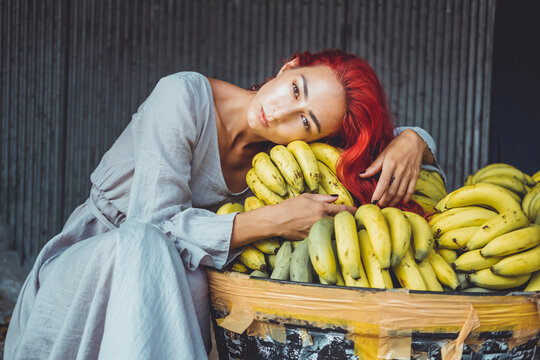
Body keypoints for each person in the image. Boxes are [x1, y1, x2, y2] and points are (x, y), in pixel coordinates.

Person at [5, 49, 444, 359]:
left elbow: (401, 178)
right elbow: (151, 230)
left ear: (316, 142)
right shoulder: (182, 97)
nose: (284, 114)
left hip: (159, 304)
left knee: (195, 281)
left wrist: (414, 140)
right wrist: (268, 221)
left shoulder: (279, 167)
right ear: (289, 66)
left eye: (306, 123)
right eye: (295, 89)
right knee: (144, 243)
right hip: (83, 279)